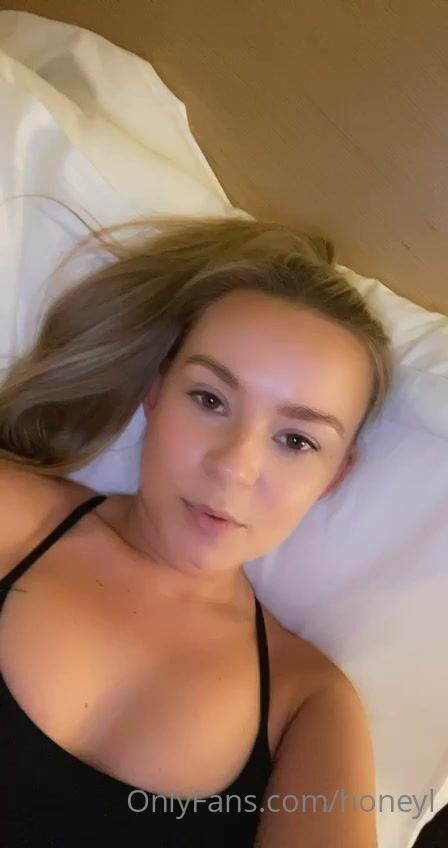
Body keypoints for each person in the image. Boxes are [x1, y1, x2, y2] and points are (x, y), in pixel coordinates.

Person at [0, 215, 393, 846]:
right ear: (155, 395)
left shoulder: (308, 709)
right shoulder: (10, 514)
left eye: (296, 440)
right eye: (210, 400)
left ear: (333, 477)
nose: (234, 466)